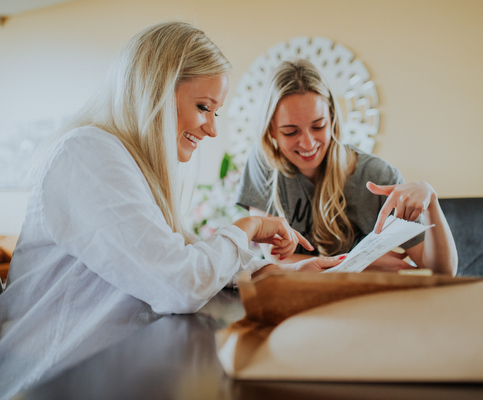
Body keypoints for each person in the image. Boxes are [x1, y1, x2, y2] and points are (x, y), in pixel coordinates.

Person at [0, 23, 342, 399]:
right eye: (203, 107)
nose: (212, 128)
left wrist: (278, 272)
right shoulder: (88, 155)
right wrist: (249, 226)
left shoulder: (130, 164)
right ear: (155, 91)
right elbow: (179, 283)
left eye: (216, 111)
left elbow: (178, 255)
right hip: (50, 381)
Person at [237, 59, 458, 274]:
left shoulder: (377, 174)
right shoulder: (263, 164)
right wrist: (363, 264)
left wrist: (431, 202)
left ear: (332, 118)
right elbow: (277, 258)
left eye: (318, 126)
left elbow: (443, 271)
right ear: (271, 131)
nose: (308, 143)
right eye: (290, 131)